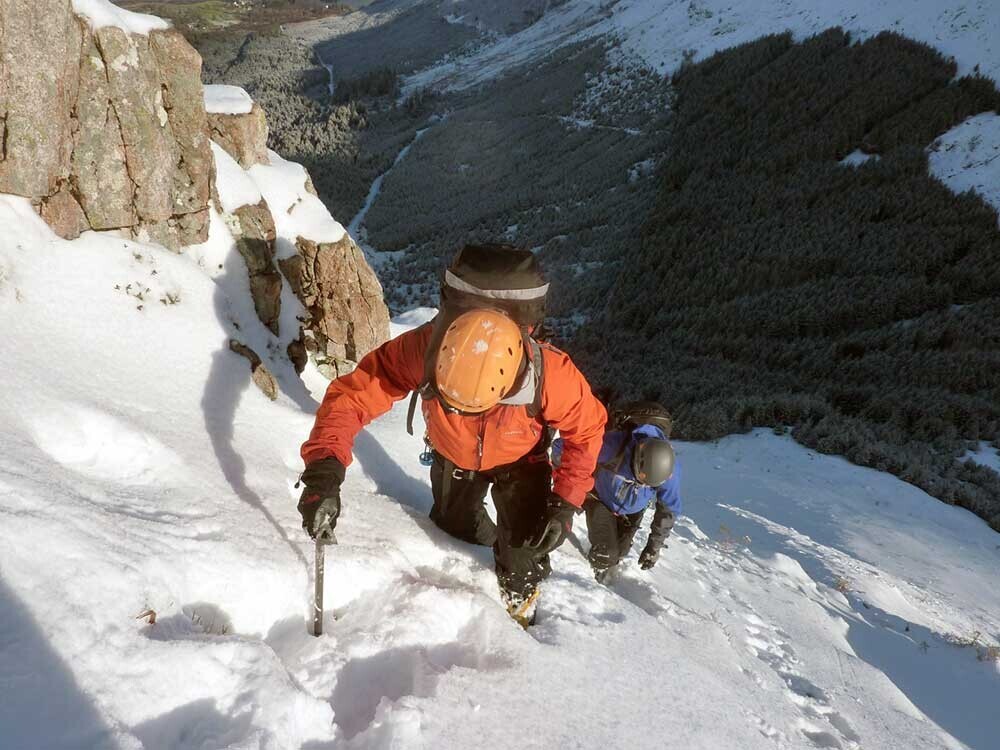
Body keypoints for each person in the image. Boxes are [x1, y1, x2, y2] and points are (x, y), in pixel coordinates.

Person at [296, 244, 607, 626]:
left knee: (525, 552)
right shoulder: (425, 349)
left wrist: (564, 502)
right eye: (454, 402)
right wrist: (324, 467)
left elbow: (588, 430)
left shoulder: (551, 374)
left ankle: (519, 602)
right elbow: (353, 397)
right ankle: (485, 555)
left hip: (522, 463)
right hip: (453, 455)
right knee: (453, 529)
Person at [576, 413, 681, 582]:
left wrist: (654, 546)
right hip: (600, 500)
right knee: (606, 553)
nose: (645, 485)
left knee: (621, 552)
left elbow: (668, 508)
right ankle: (591, 576)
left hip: (633, 512)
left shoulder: (669, 470)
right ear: (636, 459)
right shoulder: (612, 446)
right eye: (641, 480)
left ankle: (606, 563)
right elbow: (569, 448)